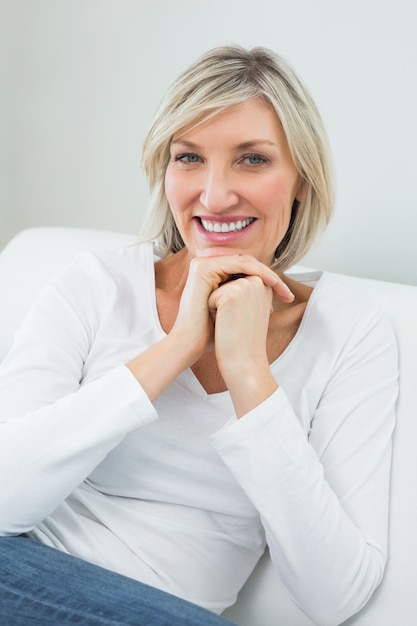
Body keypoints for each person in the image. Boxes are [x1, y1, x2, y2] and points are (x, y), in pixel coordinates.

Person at [0, 45, 398, 626]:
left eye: (252, 160)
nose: (214, 196)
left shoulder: (350, 333)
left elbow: (335, 597)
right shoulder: (95, 285)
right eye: (188, 158)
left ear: (302, 182)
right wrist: (178, 345)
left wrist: (248, 374)